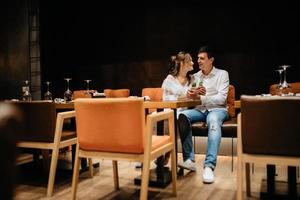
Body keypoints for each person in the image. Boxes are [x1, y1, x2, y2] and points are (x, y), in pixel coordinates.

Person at [177, 45, 229, 184]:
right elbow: (190, 98)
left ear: (211, 60)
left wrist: (203, 97)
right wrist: (190, 94)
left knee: (213, 120)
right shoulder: (195, 76)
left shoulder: (222, 74)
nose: (198, 61)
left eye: (202, 58)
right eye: (198, 58)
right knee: (182, 116)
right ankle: (189, 160)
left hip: (218, 110)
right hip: (200, 110)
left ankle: (209, 166)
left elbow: (222, 99)